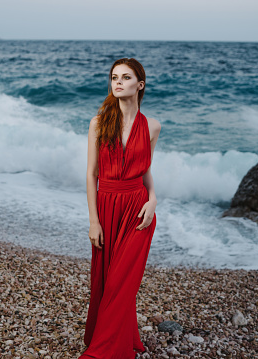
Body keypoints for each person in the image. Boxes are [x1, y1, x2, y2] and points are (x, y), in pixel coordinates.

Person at [79, 58, 161, 358]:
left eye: (126, 77)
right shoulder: (99, 123)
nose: (118, 82)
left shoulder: (152, 126)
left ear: (140, 84)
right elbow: (91, 174)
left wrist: (153, 200)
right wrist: (93, 221)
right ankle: (118, 337)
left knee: (122, 282)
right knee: (106, 278)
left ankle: (104, 350)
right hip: (107, 207)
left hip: (139, 212)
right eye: (114, 77)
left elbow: (146, 170)